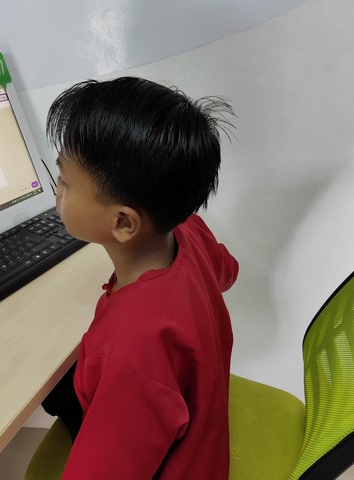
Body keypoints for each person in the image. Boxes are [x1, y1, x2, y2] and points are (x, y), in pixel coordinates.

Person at [42, 76, 239, 479]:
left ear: (123, 223)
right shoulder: (188, 231)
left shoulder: (131, 351)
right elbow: (227, 270)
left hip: (178, 465)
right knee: (60, 381)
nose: (57, 190)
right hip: (192, 418)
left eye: (65, 182)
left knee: (52, 382)